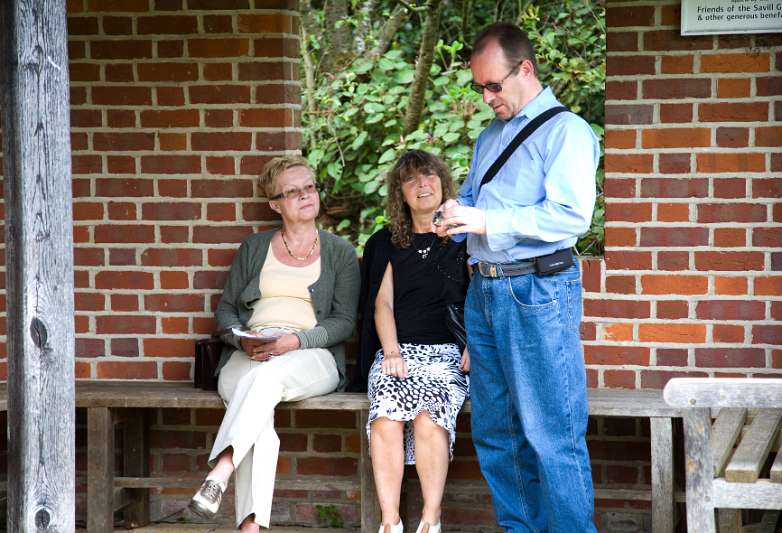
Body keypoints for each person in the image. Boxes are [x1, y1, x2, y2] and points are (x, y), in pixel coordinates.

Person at [434, 23, 600, 532]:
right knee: (496, 433)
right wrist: (455, 215)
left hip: (538, 291)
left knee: (552, 432)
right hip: (485, 292)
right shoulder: (490, 136)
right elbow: (473, 203)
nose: (486, 98)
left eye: (494, 86)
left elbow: (572, 216)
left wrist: (489, 221)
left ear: (524, 69)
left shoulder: (566, 131)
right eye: (478, 87)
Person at [188, 156, 360, 532]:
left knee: (265, 383)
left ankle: (221, 469)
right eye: (293, 191)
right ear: (275, 203)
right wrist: (242, 340)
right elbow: (226, 313)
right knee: (259, 420)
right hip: (249, 354)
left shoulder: (340, 253)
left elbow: (343, 323)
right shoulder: (254, 248)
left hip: (309, 355)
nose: (305, 196)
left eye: (310, 187)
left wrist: (294, 340)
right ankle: (250, 528)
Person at [358, 150, 470, 533]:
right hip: (398, 351)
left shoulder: (465, 238)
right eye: (411, 179)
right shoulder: (387, 242)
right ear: (399, 193)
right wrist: (390, 351)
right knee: (386, 415)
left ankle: (430, 519)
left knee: (428, 417)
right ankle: (390, 523)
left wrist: (475, 344)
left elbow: (482, 297)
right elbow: (382, 304)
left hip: (447, 355)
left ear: (442, 182)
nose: (422, 184)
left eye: (429, 175)